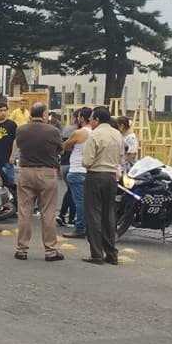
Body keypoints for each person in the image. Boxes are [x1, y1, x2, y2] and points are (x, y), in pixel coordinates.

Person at [11, 102, 64, 262]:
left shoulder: (21, 130)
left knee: (25, 211)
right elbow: (60, 149)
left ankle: (22, 249)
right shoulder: (53, 131)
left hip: (26, 171)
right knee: (48, 212)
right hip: (47, 172)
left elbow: (19, 145)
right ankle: (50, 251)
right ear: (43, 115)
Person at [82, 106, 124, 265]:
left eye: (92, 119)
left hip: (95, 176)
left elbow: (87, 161)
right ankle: (112, 253)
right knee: (109, 215)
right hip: (111, 177)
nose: (91, 122)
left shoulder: (95, 135)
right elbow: (121, 156)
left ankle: (97, 254)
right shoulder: (117, 134)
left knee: (94, 215)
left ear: (97, 120)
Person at [62, 107, 93, 239]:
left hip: (76, 169)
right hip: (89, 170)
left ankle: (80, 228)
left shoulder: (79, 132)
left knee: (79, 201)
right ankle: (87, 226)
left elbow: (66, 146)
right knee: (88, 201)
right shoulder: (95, 133)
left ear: (81, 118)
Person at [57, 110, 80, 226]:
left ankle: (62, 215)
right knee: (74, 192)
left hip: (63, 164)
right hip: (72, 164)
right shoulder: (79, 131)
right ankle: (70, 217)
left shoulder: (66, 129)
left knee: (70, 191)